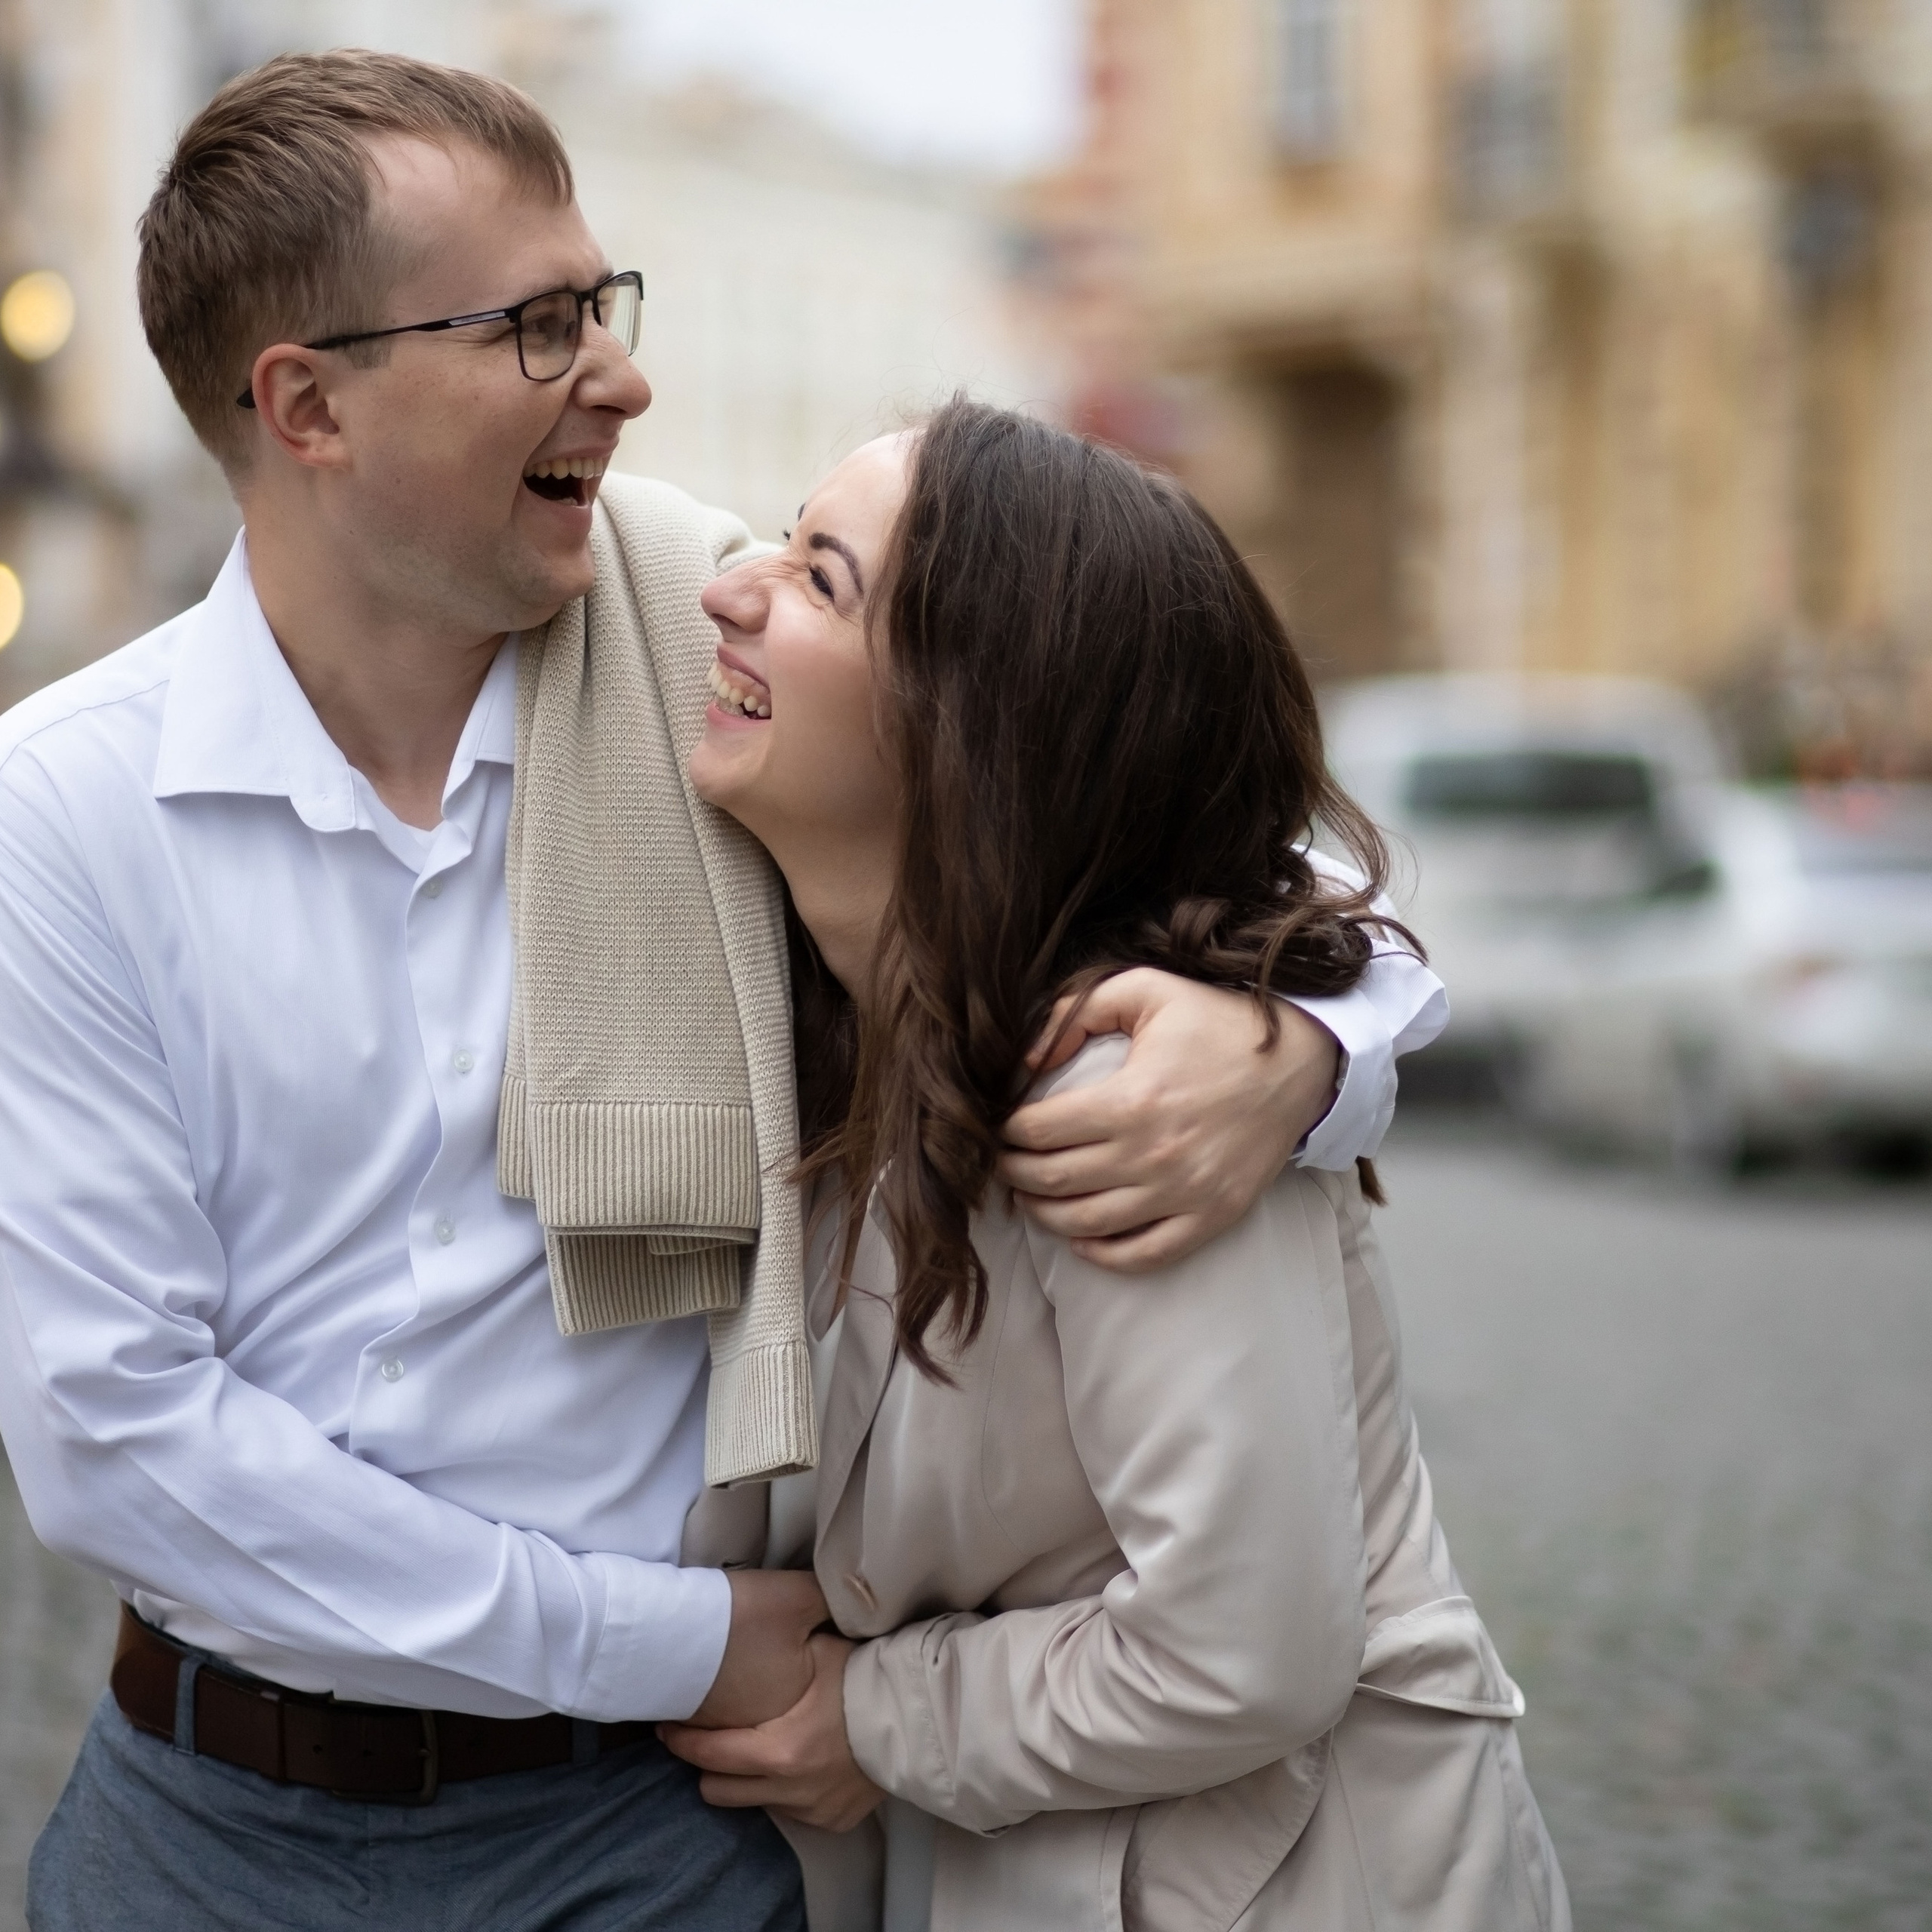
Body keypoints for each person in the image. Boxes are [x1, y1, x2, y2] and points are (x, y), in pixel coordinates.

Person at [0, 53, 1444, 1932]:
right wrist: (669, 1641)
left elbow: (1157, 809)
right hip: (213, 1819)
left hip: (649, 1841)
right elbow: (118, 1438)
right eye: (532, 325)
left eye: (601, 303)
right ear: (307, 407)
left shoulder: (718, 648)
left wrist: (1302, 1044)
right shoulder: (67, 811)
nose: (618, 374)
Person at [661, 401, 1569, 1932]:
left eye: (822, 579)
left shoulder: (1128, 1095)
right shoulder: (844, 1030)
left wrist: (870, 1718)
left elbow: (1239, 1644)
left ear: (970, 723)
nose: (726, 588)